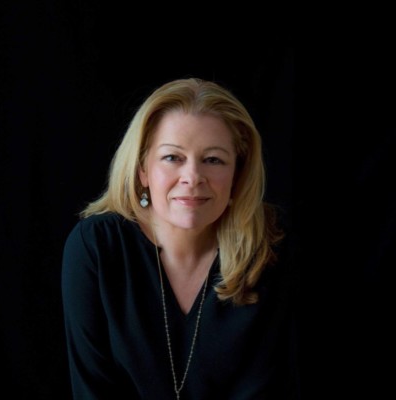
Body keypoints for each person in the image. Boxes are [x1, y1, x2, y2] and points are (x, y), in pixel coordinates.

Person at [61, 77, 299, 399]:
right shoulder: (97, 248)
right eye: (173, 157)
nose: (193, 177)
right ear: (143, 169)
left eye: (213, 159)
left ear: (238, 172)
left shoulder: (269, 249)